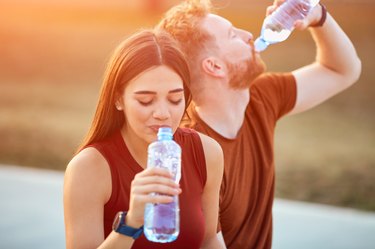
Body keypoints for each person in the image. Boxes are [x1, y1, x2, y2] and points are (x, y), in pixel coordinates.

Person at [156, 0, 362, 248]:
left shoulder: (260, 97)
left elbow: (343, 70)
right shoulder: (192, 156)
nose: (249, 35)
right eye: (233, 34)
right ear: (214, 66)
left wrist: (319, 17)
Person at [63, 29, 225, 249]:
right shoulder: (89, 168)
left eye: (175, 99)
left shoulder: (207, 153)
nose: (162, 113)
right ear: (118, 98)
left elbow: (209, 239)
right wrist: (132, 221)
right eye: (146, 101)